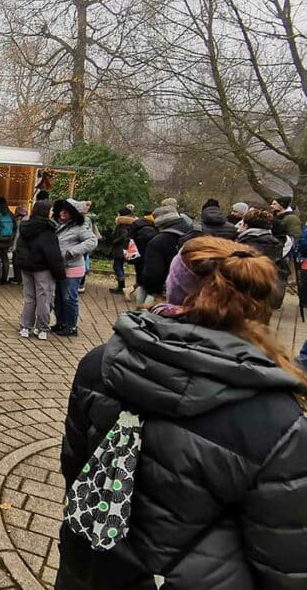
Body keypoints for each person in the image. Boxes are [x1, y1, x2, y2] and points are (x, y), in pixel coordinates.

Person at [56, 236, 307, 589]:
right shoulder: (277, 419)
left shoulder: (102, 364)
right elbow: (288, 563)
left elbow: (75, 466)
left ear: (173, 285)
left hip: (92, 562)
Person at [15, 200, 65, 340]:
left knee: (29, 298)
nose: (52, 213)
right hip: (43, 268)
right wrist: (60, 273)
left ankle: (25, 327)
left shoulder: (25, 227)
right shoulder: (48, 230)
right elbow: (53, 254)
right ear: (45, 212)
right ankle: (42, 328)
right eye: (50, 210)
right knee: (44, 298)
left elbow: (19, 247)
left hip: (27, 267)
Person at [52, 199, 97, 337]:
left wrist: (73, 251)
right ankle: (61, 322)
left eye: (67, 211)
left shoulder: (80, 227)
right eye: (62, 210)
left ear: (74, 213)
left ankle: (71, 326)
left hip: (72, 268)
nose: (63, 213)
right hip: (59, 267)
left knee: (69, 297)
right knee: (58, 297)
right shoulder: (59, 225)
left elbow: (92, 241)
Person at [237, 208, 288, 308]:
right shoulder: (276, 244)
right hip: (265, 289)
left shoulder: (246, 242)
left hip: (244, 290)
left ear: (246, 225)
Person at [140, 205, 191, 302]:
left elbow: (153, 273)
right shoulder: (195, 233)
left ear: (159, 224)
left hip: (169, 291)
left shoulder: (158, 241)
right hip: (195, 293)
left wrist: (154, 293)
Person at [128, 211, 158, 306]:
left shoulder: (136, 225)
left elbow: (129, 239)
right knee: (150, 287)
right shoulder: (154, 228)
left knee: (141, 283)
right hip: (150, 258)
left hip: (138, 257)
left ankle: (139, 305)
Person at [108, 208, 136, 294]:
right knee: (119, 266)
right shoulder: (131, 224)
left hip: (120, 249)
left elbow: (123, 236)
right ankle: (121, 285)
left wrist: (115, 241)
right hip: (125, 249)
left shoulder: (122, 225)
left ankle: (121, 286)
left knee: (117, 266)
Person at [7, 205, 28, 285]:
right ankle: (22, 278)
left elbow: (17, 235)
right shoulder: (29, 219)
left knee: (16, 262)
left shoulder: (20, 221)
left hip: (19, 245)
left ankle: (17, 278)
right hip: (26, 245)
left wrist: (14, 246)